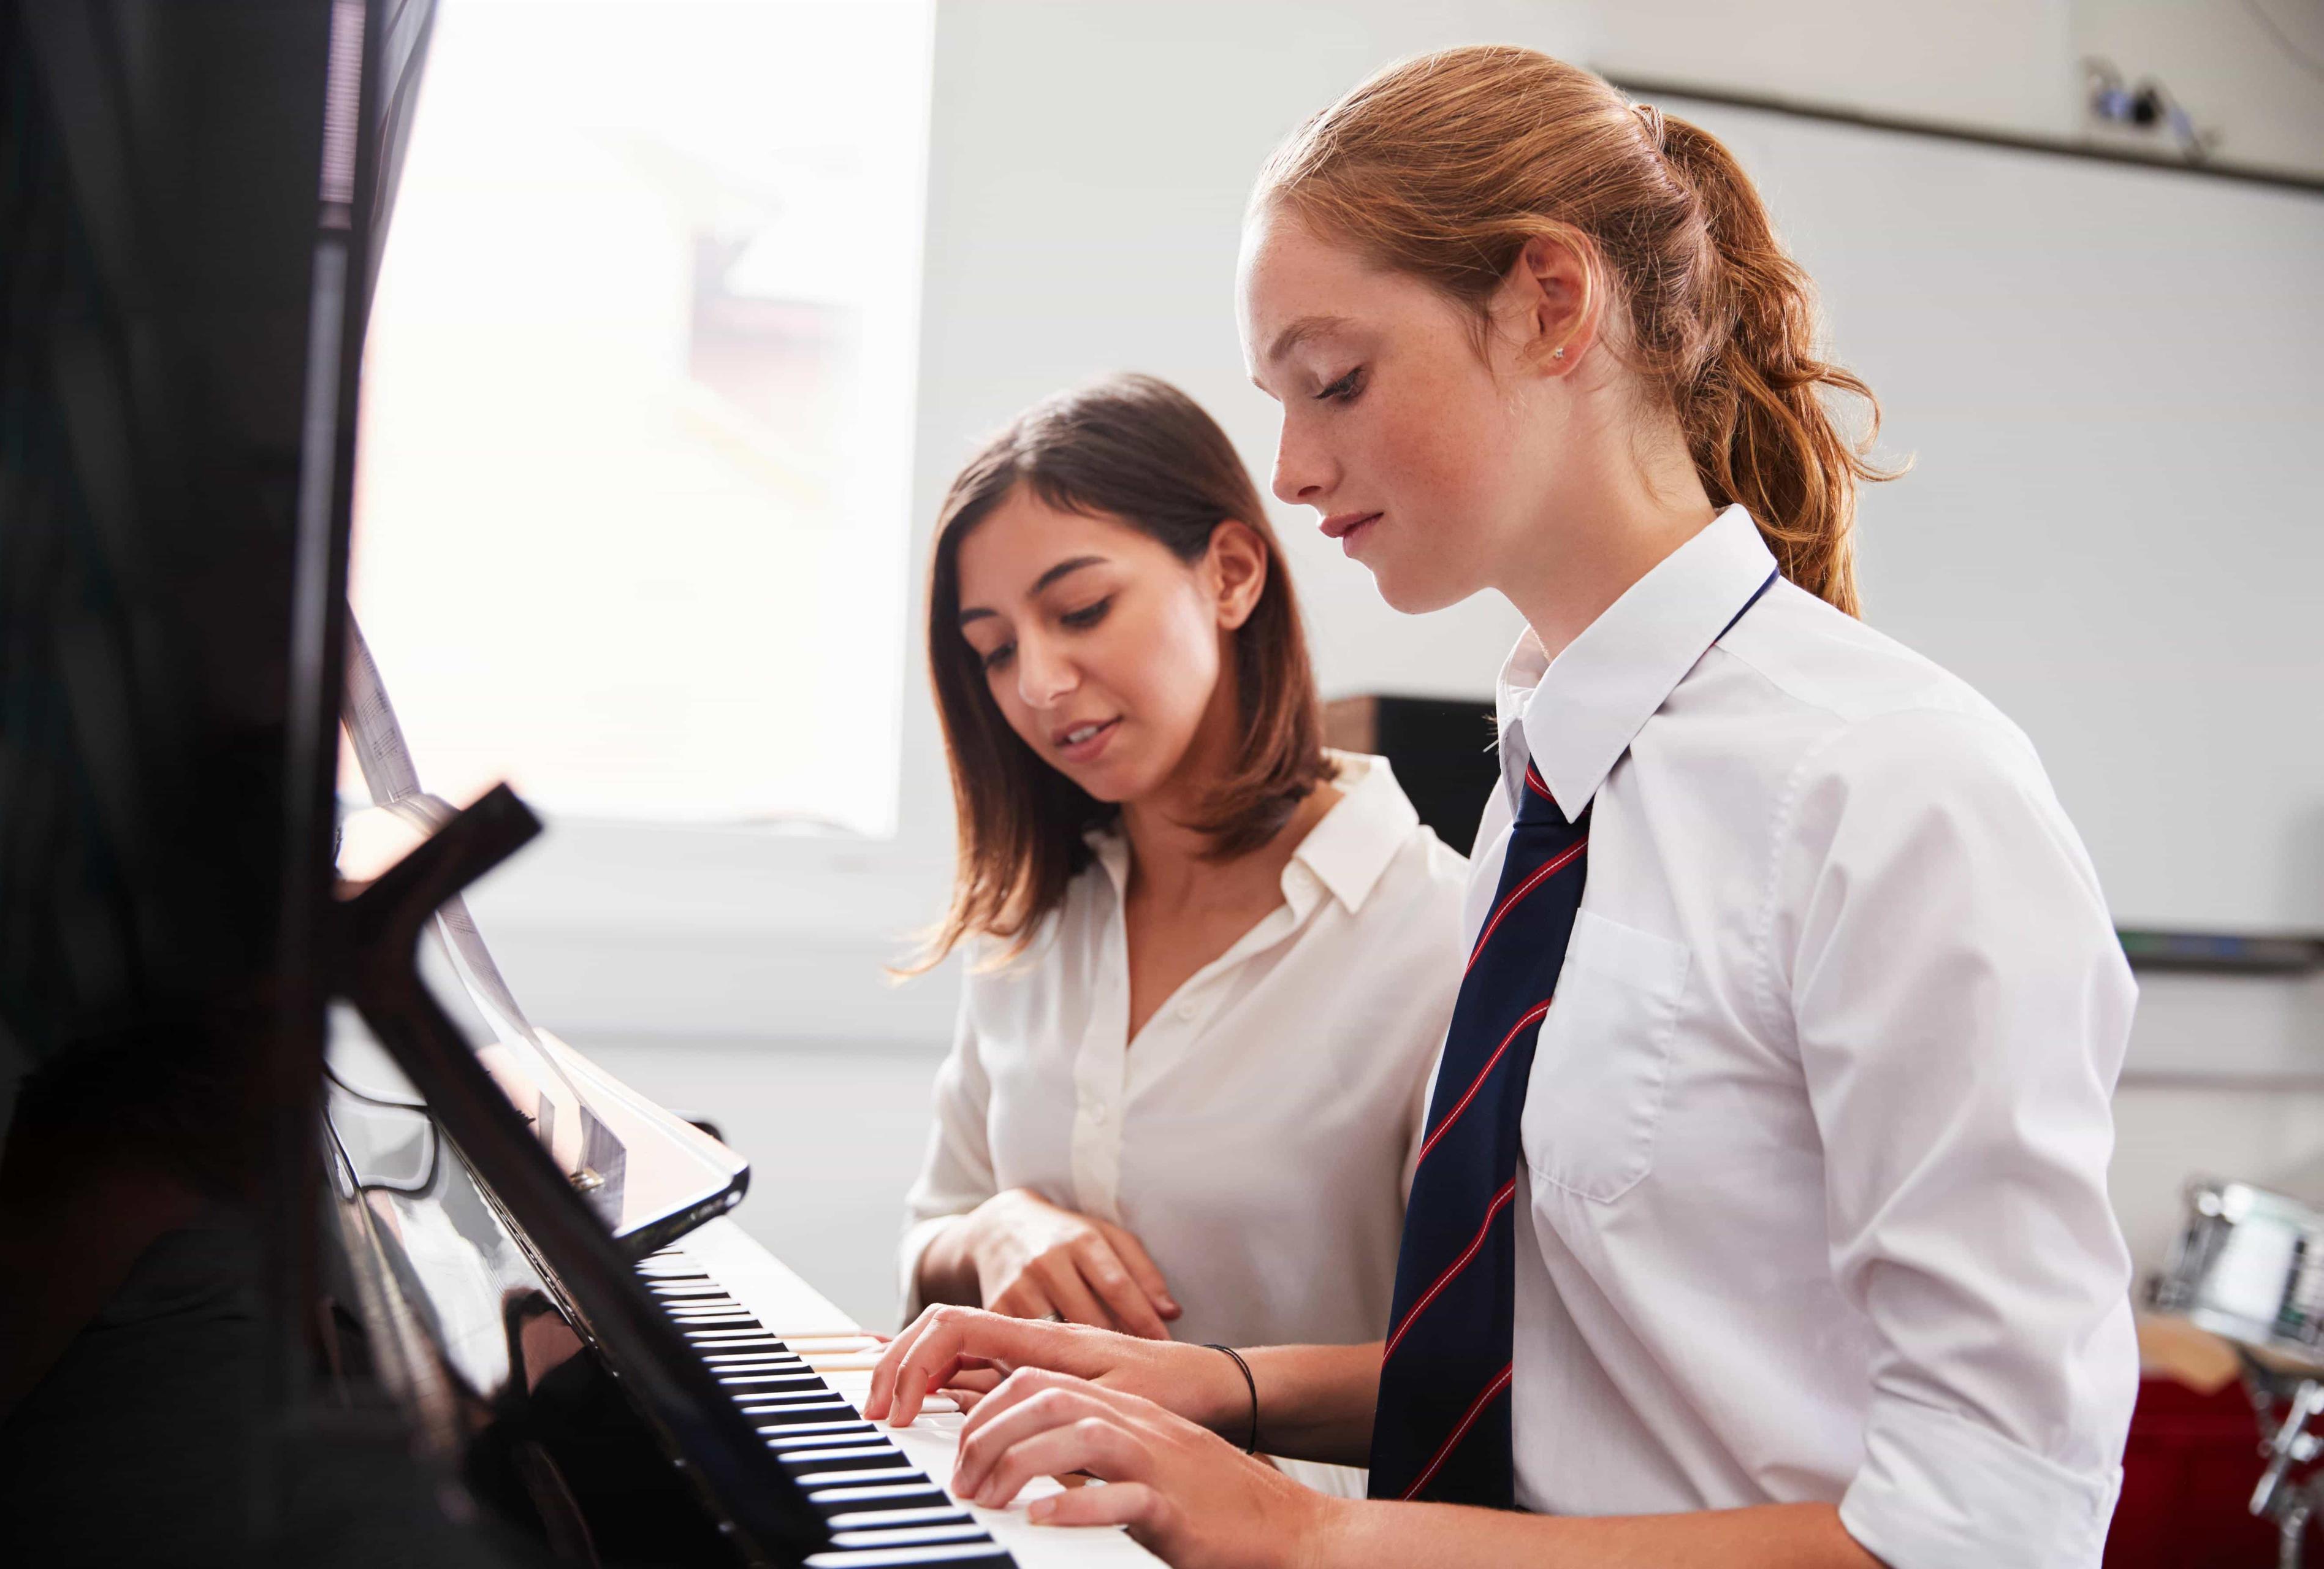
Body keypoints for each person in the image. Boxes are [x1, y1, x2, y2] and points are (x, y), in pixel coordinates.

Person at [866, 45, 2138, 1569]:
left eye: (1335, 380)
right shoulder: (1549, 789)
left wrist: (1304, 1534)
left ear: (1551, 300)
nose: (1294, 464)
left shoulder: (1894, 788)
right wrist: (1216, 1386)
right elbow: (1572, 1370)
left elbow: (1989, 1527)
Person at [896, 376, 1469, 1374]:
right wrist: (998, 1228)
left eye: (1080, 610)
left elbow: (1495, 1378)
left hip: (1291, 1523)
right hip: (1024, 1504)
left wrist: (1215, 1397)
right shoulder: (1031, 923)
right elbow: (930, 1237)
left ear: (1232, 575)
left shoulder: (1441, 938)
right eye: (992, 650)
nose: (1035, 684)